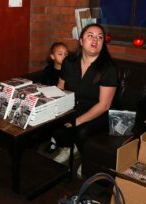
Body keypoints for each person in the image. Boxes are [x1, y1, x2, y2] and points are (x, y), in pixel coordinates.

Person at [54, 23, 118, 176]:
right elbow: (60, 89)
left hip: (100, 112)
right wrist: (55, 110)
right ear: (81, 41)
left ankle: (86, 158)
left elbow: (104, 105)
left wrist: (77, 121)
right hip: (75, 106)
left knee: (81, 131)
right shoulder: (69, 63)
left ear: (103, 44)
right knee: (55, 124)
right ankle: (70, 147)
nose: (95, 39)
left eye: (100, 37)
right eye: (90, 35)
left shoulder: (108, 68)